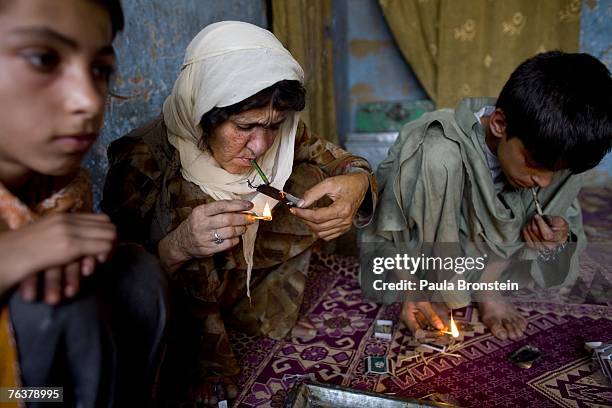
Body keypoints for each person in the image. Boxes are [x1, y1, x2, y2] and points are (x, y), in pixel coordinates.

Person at [102, 21, 376, 405]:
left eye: (273, 127)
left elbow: (338, 160)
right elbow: (115, 282)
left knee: (309, 180)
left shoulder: (273, 127)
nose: (261, 145)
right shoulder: (140, 160)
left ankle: (257, 311)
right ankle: (205, 359)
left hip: (236, 271)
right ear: (202, 113)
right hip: (177, 297)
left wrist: (358, 181)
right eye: (244, 127)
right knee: (193, 213)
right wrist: (178, 245)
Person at [363, 51, 611, 341]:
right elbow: (385, 226)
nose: (543, 181)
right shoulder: (435, 142)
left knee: (564, 178)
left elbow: (558, 248)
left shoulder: (555, 156)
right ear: (499, 124)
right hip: (428, 258)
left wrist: (554, 239)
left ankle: (487, 286)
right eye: (533, 163)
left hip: (488, 263)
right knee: (438, 157)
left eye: (554, 172)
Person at [0, 1, 167, 406]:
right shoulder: (144, 157)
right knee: (50, 308)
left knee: (139, 273)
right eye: (43, 59)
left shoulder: (65, 187)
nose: (90, 101)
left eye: (100, 70)